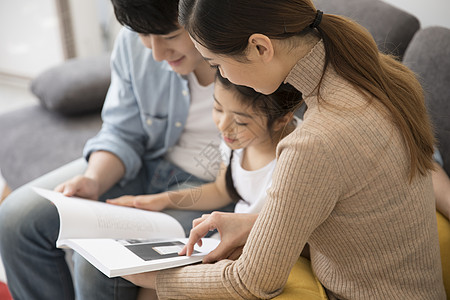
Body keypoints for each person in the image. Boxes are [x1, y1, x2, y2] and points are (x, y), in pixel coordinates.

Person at [122, 0, 447, 299]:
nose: (220, 75)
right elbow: (359, 216)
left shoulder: (313, 142)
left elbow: (252, 282)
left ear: (260, 47)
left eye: (217, 64)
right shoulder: (383, 80)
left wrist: (154, 277)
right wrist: (258, 225)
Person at [0, 0, 234, 299]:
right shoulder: (133, 45)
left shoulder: (242, 59)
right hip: (144, 163)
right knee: (17, 219)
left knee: (98, 260)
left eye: (170, 36)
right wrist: (95, 179)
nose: (156, 53)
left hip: (211, 191)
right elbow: (122, 131)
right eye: (142, 35)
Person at [107, 72, 301, 217]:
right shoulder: (238, 142)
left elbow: (284, 228)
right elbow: (220, 191)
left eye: (241, 121)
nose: (223, 126)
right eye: (217, 108)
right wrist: (160, 200)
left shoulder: (295, 159)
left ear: (281, 120)